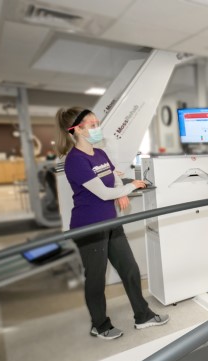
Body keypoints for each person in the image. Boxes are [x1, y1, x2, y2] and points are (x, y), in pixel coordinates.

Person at [55, 107, 169, 340]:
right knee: (96, 278)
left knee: (129, 268)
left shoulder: (99, 153)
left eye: (98, 123)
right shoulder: (74, 161)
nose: (98, 128)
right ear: (76, 130)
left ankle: (143, 315)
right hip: (90, 227)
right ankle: (100, 324)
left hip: (110, 222)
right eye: (92, 124)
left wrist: (121, 190)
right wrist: (130, 187)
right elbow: (104, 193)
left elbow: (114, 178)